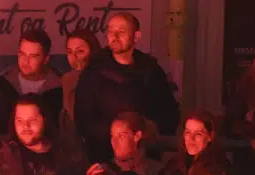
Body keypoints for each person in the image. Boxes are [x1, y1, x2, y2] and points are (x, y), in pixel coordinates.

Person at [75, 11, 181, 163]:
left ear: (136, 36)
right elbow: (83, 119)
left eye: (121, 31)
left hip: (144, 156)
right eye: (111, 31)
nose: (115, 36)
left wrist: (149, 128)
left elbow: (168, 111)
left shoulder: (150, 70)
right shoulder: (94, 71)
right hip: (105, 156)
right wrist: (118, 133)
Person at [0, 29, 63, 136]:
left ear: (46, 59)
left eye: (33, 56)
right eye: (22, 54)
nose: (26, 61)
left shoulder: (61, 91)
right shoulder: (1, 87)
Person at [57, 29, 101, 162]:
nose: (74, 57)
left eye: (80, 51)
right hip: (73, 150)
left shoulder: (103, 78)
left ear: (93, 51)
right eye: (69, 52)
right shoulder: (67, 79)